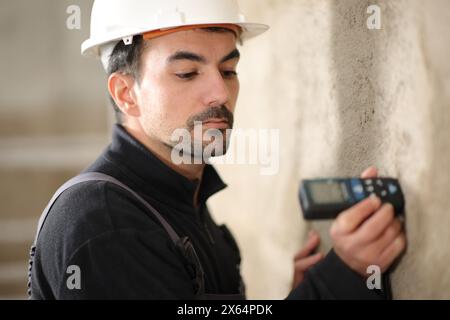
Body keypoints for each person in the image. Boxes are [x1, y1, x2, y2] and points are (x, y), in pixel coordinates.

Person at [28, 0, 406, 299]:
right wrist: (337, 282)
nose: (220, 94)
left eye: (228, 70)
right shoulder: (107, 228)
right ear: (127, 94)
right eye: (187, 73)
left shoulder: (180, 196)